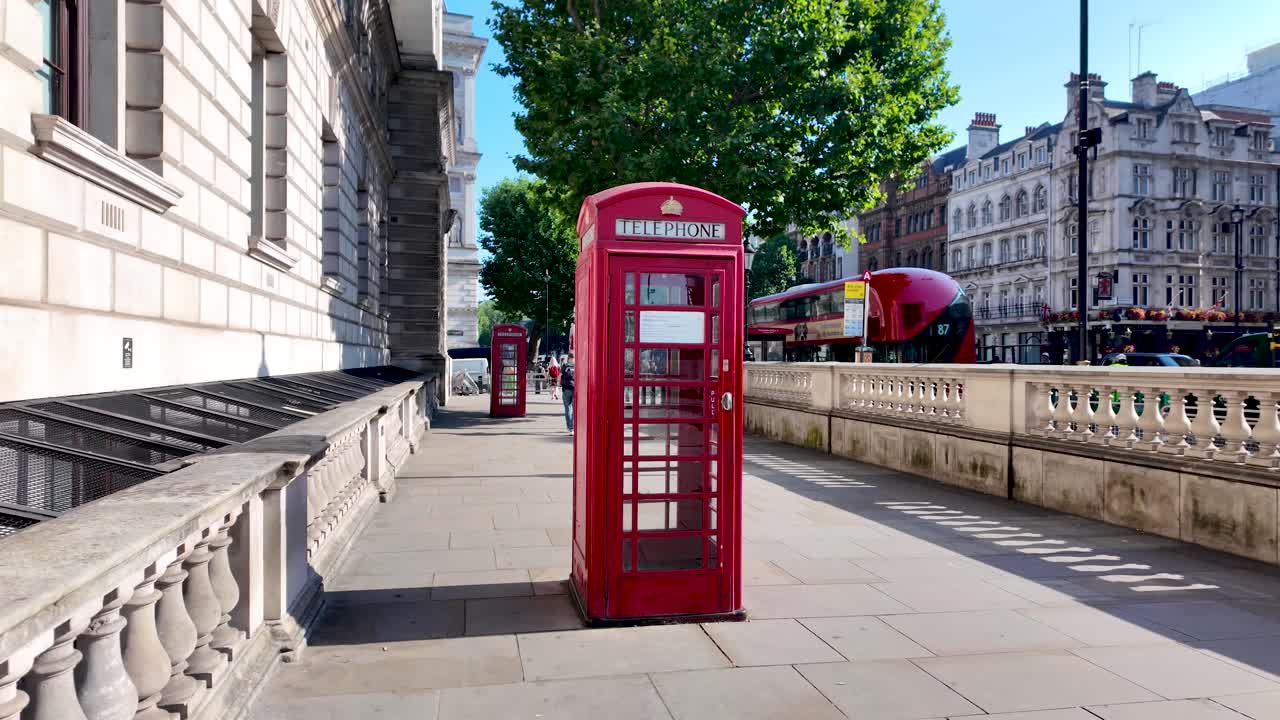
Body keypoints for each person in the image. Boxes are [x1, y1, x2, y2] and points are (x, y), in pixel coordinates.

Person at [560, 354, 575, 432]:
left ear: (568, 358)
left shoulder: (565, 366)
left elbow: (560, 375)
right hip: (575, 388)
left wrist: (559, 384)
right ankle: (573, 426)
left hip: (566, 389)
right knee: (574, 409)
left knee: (568, 408)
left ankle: (569, 428)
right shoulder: (577, 365)